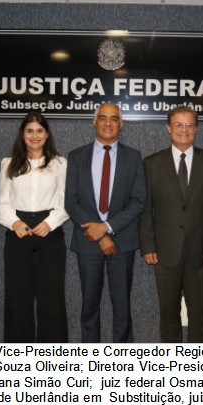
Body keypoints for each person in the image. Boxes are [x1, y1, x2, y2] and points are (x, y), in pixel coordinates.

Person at [140, 105, 203, 343]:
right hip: (164, 254)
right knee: (168, 315)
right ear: (168, 128)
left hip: (200, 253)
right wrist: (148, 245)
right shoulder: (152, 163)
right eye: (178, 125)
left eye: (189, 125)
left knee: (199, 316)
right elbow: (146, 209)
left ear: (196, 128)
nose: (184, 130)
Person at [65, 103, 146, 343]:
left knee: (122, 305)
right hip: (88, 241)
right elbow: (71, 202)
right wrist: (100, 234)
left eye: (113, 119)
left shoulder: (133, 157)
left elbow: (139, 200)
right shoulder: (77, 156)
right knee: (89, 303)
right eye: (102, 118)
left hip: (122, 241)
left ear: (121, 124)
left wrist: (108, 227)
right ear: (94, 122)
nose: (108, 123)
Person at [0, 112, 69, 343]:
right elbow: (1, 204)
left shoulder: (59, 163)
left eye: (39, 131)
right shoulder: (9, 163)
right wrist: (14, 222)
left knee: (52, 300)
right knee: (18, 299)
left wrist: (49, 223)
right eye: (30, 131)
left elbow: (66, 202)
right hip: (18, 235)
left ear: (46, 134)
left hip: (50, 235)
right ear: (23, 134)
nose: (34, 135)